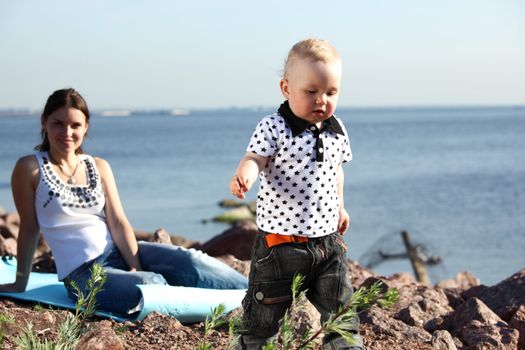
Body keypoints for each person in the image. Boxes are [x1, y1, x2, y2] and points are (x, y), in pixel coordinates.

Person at [0, 88, 247, 316]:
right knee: (150, 285)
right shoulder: (30, 168)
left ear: (86, 127)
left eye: (75, 125)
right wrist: (21, 281)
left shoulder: (98, 166)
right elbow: (30, 228)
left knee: (193, 260)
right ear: (44, 122)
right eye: (58, 124)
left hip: (119, 252)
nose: (67, 133)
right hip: (83, 275)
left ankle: (262, 293)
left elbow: (118, 222)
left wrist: (134, 265)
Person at [229, 39, 364, 350]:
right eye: (311, 91)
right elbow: (255, 158)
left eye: (331, 92)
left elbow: (335, 172)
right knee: (261, 321)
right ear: (286, 88)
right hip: (279, 247)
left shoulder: (336, 129)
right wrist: (244, 176)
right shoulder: (274, 127)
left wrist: (341, 208)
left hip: (328, 245)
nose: (322, 100)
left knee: (341, 315)